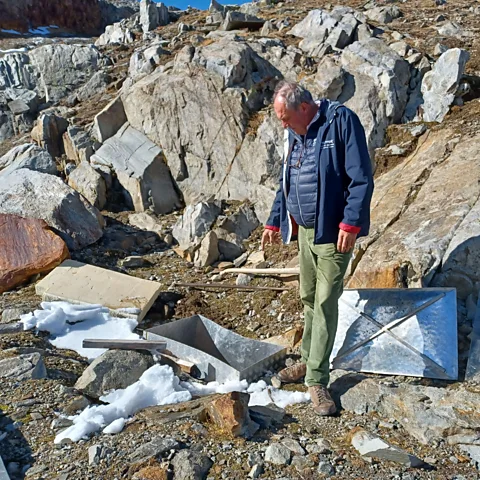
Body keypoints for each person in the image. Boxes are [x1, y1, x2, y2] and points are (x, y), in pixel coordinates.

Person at [262, 81, 374, 416]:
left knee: (325, 301)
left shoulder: (340, 121)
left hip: (333, 231)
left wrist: (351, 223)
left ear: (304, 108)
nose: (282, 125)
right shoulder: (295, 131)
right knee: (309, 297)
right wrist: (274, 220)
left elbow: (361, 178)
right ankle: (310, 361)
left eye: (285, 118)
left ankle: (317, 379)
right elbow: (288, 181)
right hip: (306, 233)